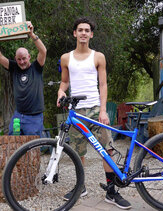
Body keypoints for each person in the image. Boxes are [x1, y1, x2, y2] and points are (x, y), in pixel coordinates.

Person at [57, 17, 131, 210]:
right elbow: (65, 82)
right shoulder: (66, 58)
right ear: (75, 33)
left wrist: (104, 110)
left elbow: (103, 84)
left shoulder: (98, 56)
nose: (83, 33)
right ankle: (80, 187)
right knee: (77, 152)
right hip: (77, 111)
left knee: (107, 151)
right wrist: (60, 92)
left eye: (86, 30)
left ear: (91, 34)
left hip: (96, 110)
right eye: (80, 30)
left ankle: (112, 191)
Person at [0, 21, 47, 136]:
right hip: (18, 115)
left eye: (24, 58)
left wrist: (32, 34)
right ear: (16, 59)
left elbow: (43, 51)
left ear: (29, 57)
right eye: (19, 59)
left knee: (33, 146)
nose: (21, 62)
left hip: (34, 117)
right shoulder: (15, 68)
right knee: (13, 143)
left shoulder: (37, 67)